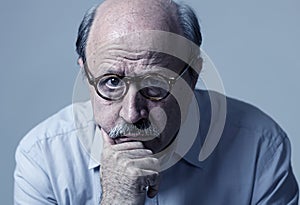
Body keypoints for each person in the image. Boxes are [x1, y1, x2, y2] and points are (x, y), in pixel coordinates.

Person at [14, 0, 299, 204]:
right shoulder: (43, 159)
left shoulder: (261, 147)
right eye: (111, 81)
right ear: (85, 75)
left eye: (155, 84)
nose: (131, 113)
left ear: (192, 76)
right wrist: (117, 200)